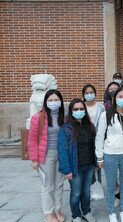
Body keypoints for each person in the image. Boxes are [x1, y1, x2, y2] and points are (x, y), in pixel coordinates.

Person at [95, 87, 123, 222]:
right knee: (111, 185)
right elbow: (99, 136)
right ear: (114, 98)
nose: (122, 99)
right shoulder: (105, 115)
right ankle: (111, 212)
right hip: (110, 154)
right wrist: (99, 156)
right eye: (120, 96)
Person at [28, 89, 65, 222]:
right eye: (50, 100)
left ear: (61, 102)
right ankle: (48, 213)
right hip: (46, 155)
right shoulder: (38, 117)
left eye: (56, 100)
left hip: (62, 155)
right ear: (45, 102)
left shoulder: (64, 116)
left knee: (59, 184)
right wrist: (34, 159)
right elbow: (32, 140)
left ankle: (58, 209)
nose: (53, 102)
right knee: (47, 185)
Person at [57, 98, 97, 222]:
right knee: (76, 193)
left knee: (86, 191)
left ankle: (86, 211)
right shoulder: (66, 129)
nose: (79, 111)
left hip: (89, 165)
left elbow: (94, 145)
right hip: (75, 167)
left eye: (81, 109)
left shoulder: (89, 125)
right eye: (76, 109)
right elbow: (62, 151)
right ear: (71, 111)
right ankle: (76, 215)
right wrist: (66, 170)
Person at [82, 84, 105, 184]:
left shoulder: (100, 106)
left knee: (98, 164)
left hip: (97, 138)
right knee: (87, 163)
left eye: (91, 92)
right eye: (87, 93)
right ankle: (88, 185)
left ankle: (97, 185)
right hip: (84, 139)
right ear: (83, 95)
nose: (89, 94)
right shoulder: (80, 106)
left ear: (95, 93)